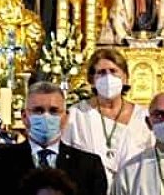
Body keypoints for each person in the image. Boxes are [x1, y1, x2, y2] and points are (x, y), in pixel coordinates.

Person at [64, 48, 153, 184]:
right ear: (92, 79)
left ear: (125, 77)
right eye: (101, 73)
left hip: (133, 194)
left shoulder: (143, 116)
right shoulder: (77, 115)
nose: (108, 78)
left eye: (113, 71)